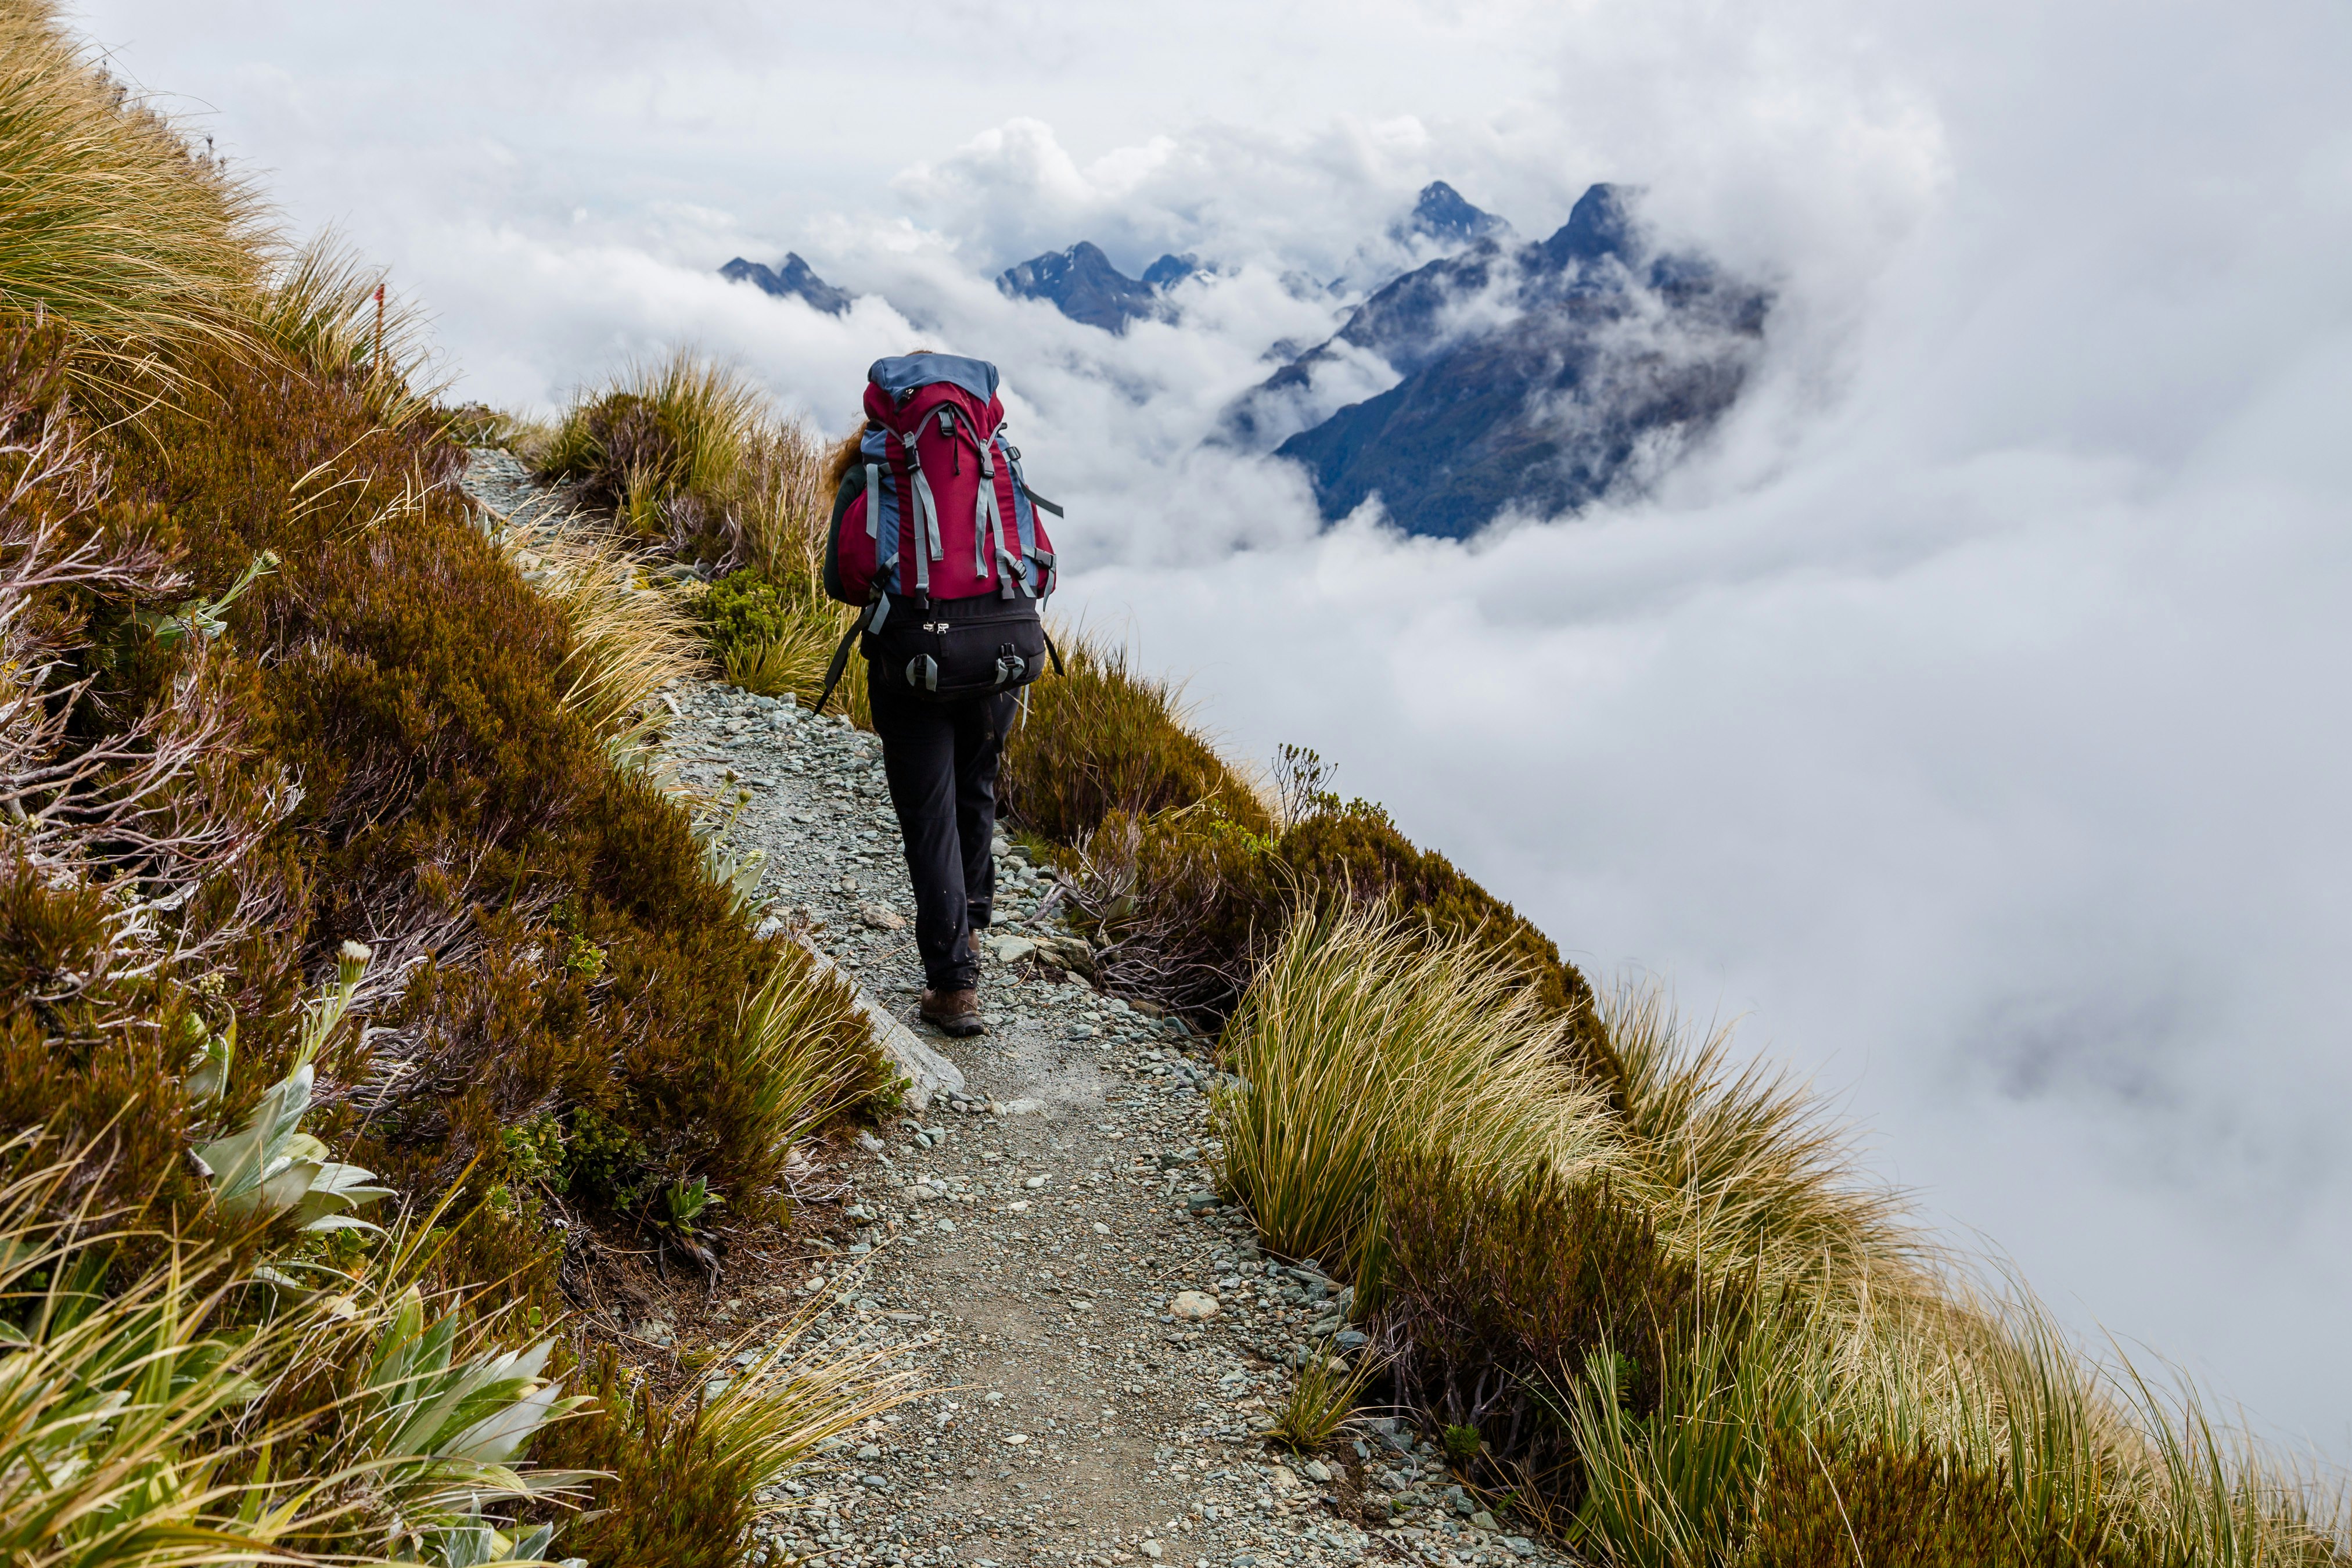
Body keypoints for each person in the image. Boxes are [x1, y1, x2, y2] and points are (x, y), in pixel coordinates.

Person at [815, 353, 1059, 1037]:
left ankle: (954, 986)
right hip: (1001, 653)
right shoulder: (993, 457)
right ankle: (972, 925)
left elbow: (845, 576)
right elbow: (1037, 559)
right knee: (976, 785)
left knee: (930, 812)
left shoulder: (878, 468)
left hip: (915, 661)